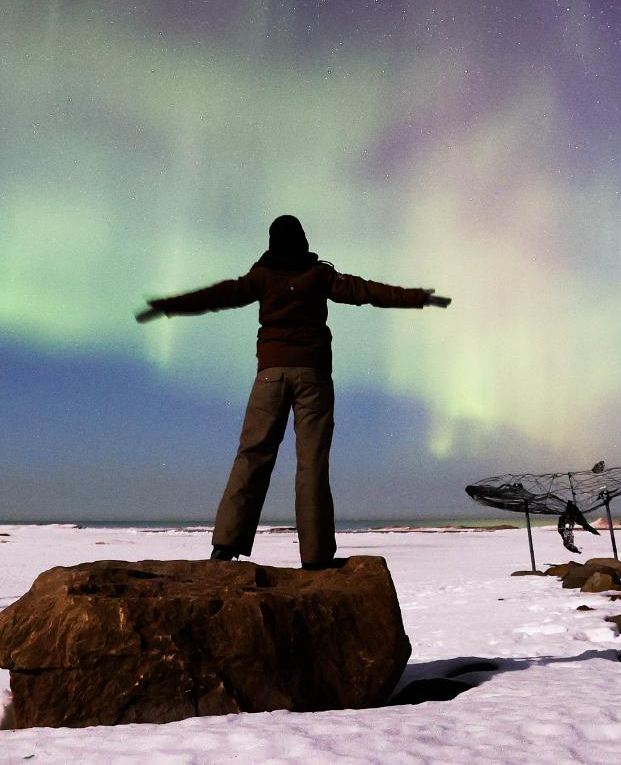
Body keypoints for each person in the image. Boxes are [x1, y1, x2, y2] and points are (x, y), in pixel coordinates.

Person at [135, 214, 450, 570]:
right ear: (302, 240)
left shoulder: (262, 275)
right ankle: (315, 556)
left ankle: (226, 545)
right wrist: (418, 298)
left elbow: (220, 295)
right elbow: (367, 291)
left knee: (252, 454)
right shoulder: (319, 275)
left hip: (270, 375)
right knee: (312, 463)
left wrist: (169, 306)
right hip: (313, 375)